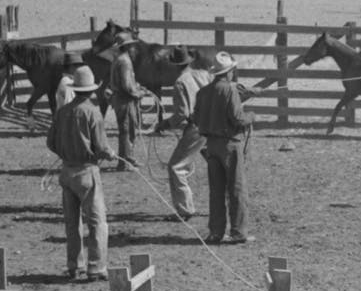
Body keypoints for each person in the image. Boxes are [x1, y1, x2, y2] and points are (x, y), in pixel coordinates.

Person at [46, 65, 117, 282]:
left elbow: (51, 142)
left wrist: (67, 153)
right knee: (97, 221)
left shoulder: (62, 112)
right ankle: (96, 267)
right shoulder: (92, 111)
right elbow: (102, 147)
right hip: (87, 172)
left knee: (72, 222)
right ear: (91, 90)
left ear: (76, 89)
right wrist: (111, 154)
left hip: (66, 172)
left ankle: (74, 265)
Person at [192, 51, 261, 244]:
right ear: (229, 72)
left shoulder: (203, 92)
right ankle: (239, 232)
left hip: (211, 145)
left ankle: (216, 232)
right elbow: (238, 119)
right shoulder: (230, 90)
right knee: (237, 188)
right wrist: (252, 116)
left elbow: (196, 118)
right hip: (230, 144)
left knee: (216, 190)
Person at [152, 46, 210, 222]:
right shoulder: (204, 74)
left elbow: (181, 115)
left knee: (176, 167)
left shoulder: (180, 82)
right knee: (217, 164)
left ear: (174, 65)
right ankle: (228, 202)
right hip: (212, 126)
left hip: (196, 128)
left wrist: (164, 124)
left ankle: (185, 209)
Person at [107, 31, 144, 170]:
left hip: (120, 99)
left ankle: (128, 158)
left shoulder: (119, 59)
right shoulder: (125, 61)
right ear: (127, 47)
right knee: (127, 130)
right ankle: (125, 162)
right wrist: (139, 93)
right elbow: (127, 86)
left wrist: (136, 87)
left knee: (128, 130)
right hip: (125, 100)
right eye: (132, 46)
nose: (134, 48)